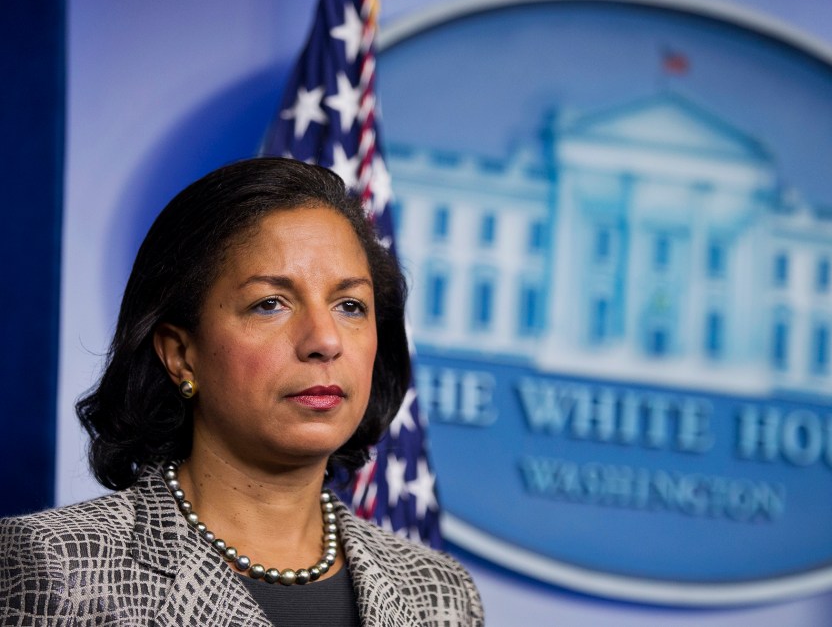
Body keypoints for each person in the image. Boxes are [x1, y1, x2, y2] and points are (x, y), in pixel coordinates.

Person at [0, 157, 484, 626]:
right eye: (270, 303)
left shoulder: (439, 595)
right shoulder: (58, 568)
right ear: (180, 354)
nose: (325, 341)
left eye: (350, 305)